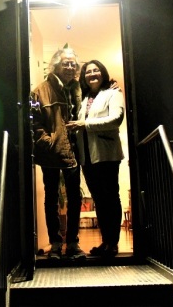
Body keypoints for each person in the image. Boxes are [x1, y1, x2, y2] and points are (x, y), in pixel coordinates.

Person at [30, 47, 86, 260]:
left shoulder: (79, 88)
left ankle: (72, 243)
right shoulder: (40, 90)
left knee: (74, 198)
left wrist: (111, 84)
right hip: (52, 153)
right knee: (51, 198)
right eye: (66, 63)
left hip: (75, 152)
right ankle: (55, 244)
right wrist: (48, 142)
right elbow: (34, 122)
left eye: (73, 63)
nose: (70, 67)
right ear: (55, 66)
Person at [66, 60, 125, 258]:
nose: (92, 74)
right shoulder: (82, 98)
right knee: (99, 200)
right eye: (88, 72)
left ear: (103, 73)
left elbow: (116, 119)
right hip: (87, 157)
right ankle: (105, 242)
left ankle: (113, 243)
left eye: (96, 70)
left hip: (107, 154)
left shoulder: (113, 93)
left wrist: (86, 123)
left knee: (110, 197)